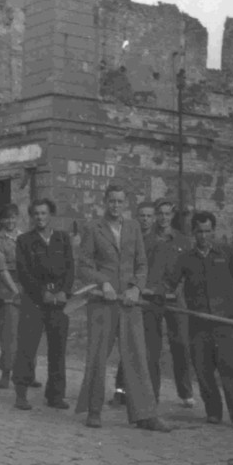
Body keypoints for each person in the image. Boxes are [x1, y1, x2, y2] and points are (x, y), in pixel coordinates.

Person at [75, 184, 170, 432]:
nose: (115, 205)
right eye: (112, 201)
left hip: (128, 302)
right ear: (105, 202)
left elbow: (142, 265)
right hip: (102, 303)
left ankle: (145, 415)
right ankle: (94, 410)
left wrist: (136, 288)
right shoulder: (93, 228)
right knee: (97, 356)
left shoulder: (133, 227)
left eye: (120, 201)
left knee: (137, 355)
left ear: (125, 203)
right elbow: (83, 266)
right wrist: (103, 282)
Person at [160, 211, 233, 432]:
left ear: (213, 231)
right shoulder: (186, 258)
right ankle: (213, 411)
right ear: (193, 233)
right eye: (199, 232)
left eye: (207, 231)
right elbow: (170, 284)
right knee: (203, 369)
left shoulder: (226, 253)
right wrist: (160, 295)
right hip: (199, 323)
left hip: (227, 322)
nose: (204, 236)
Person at [110, 199, 196, 408]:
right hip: (149, 298)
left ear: (173, 215)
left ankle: (185, 392)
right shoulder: (146, 239)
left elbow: (189, 270)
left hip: (175, 299)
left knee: (181, 344)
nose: (163, 218)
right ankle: (129, 392)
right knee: (146, 346)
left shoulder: (184, 241)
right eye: (160, 214)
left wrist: (179, 289)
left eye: (168, 214)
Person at [12, 198, 74, 411]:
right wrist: (41, 293)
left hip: (58, 302)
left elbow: (70, 268)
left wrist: (64, 291)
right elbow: (23, 272)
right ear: (32, 217)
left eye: (43, 213)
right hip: (34, 301)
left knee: (58, 350)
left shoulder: (62, 239)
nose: (40, 217)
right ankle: (21, 393)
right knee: (27, 348)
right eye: (36, 214)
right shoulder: (24, 240)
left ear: (51, 215)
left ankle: (55, 395)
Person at [0, 204, 23, 389]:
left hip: (26, 287)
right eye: (7, 218)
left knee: (27, 332)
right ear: (1, 220)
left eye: (13, 217)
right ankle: (6, 372)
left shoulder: (24, 237)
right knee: (9, 333)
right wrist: (15, 290)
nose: (10, 221)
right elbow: (1, 269)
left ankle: (27, 373)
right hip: (8, 287)